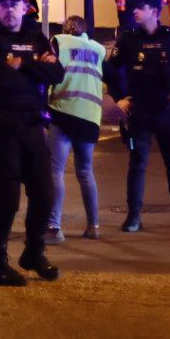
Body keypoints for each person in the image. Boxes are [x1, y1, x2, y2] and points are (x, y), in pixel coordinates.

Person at [0, 0, 64, 285]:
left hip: (33, 125)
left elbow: (57, 74)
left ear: (25, 7)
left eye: (14, 4)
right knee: (8, 197)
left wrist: (22, 63)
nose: (9, 9)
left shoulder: (36, 38)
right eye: (3, 4)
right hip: (0, 127)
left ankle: (34, 253)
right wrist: (34, 66)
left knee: (45, 194)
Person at [107, 0, 170, 233]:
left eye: (141, 7)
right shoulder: (127, 40)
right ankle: (133, 216)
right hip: (138, 113)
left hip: (167, 111)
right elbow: (110, 72)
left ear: (154, 11)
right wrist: (119, 99)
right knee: (137, 163)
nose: (135, 11)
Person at [46, 16, 104, 245]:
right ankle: (94, 226)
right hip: (90, 117)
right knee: (86, 173)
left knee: (56, 171)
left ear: (66, 29)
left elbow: (49, 72)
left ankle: (53, 227)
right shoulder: (99, 49)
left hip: (64, 111)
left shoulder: (60, 42)